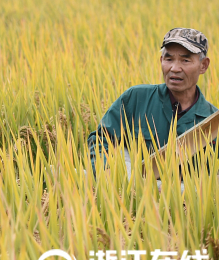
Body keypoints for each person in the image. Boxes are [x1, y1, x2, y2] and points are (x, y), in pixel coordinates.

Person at [88, 28, 217, 173]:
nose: (174, 68)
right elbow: (101, 139)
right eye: (169, 59)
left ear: (203, 65)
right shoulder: (136, 98)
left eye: (185, 60)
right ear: (161, 60)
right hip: (134, 186)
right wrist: (107, 170)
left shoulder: (213, 121)